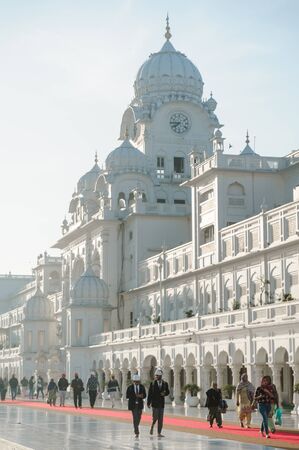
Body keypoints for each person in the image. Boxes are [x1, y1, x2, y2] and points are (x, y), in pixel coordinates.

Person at [147, 368, 170, 438]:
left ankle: (159, 433)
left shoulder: (165, 384)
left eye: (158, 376)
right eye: (156, 375)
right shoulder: (152, 383)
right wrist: (148, 402)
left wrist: (165, 393)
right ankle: (152, 425)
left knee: (161, 419)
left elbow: (168, 392)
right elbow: (150, 394)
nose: (156, 377)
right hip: (154, 403)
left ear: (161, 376)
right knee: (155, 417)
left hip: (161, 404)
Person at [126, 374, 146, 438]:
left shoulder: (142, 387)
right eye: (135, 381)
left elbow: (145, 395)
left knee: (139, 417)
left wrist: (141, 396)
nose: (137, 383)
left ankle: (135, 427)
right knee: (135, 417)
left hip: (140, 404)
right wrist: (135, 396)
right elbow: (127, 396)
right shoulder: (130, 387)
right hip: (133, 405)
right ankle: (136, 431)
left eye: (138, 381)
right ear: (133, 381)